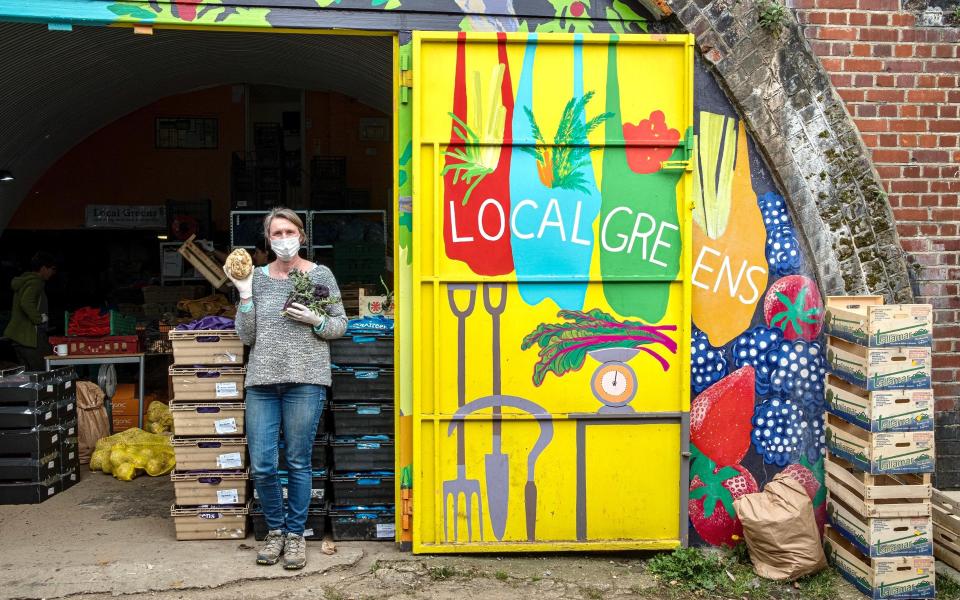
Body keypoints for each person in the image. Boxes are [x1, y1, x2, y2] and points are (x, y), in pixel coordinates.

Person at [224, 208, 346, 570]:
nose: (283, 239)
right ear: (268, 239)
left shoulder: (320, 275)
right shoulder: (257, 278)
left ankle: (295, 535)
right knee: (262, 464)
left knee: (297, 461)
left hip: (305, 381)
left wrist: (318, 320)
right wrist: (245, 295)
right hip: (262, 382)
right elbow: (246, 336)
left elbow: (340, 325)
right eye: (276, 234)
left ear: (302, 236)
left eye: (289, 232)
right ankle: (274, 529)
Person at [4, 252, 56, 371]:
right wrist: (39, 318)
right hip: (30, 338)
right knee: (44, 371)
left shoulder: (25, 281)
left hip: (19, 338)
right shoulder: (36, 282)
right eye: (52, 269)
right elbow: (26, 302)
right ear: (43, 268)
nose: (53, 273)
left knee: (27, 377)